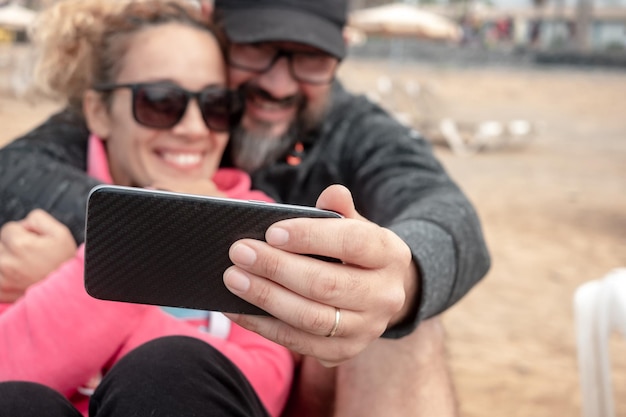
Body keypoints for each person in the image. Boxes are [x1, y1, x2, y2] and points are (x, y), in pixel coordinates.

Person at [0, 0, 491, 415]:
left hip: (226, 382)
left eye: (217, 106)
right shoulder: (120, 94)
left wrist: (398, 285)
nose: (279, 85)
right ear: (216, 27)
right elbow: (15, 168)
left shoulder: (351, 132)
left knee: (401, 317)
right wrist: (118, 241)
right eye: (161, 101)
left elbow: (446, 212)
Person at [0, 1, 294, 416]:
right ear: (99, 112)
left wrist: (88, 276)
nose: (193, 128)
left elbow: (264, 384)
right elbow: (7, 365)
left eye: (215, 105)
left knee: (170, 370)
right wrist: (139, 237)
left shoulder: (258, 219)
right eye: (160, 102)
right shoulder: (37, 222)